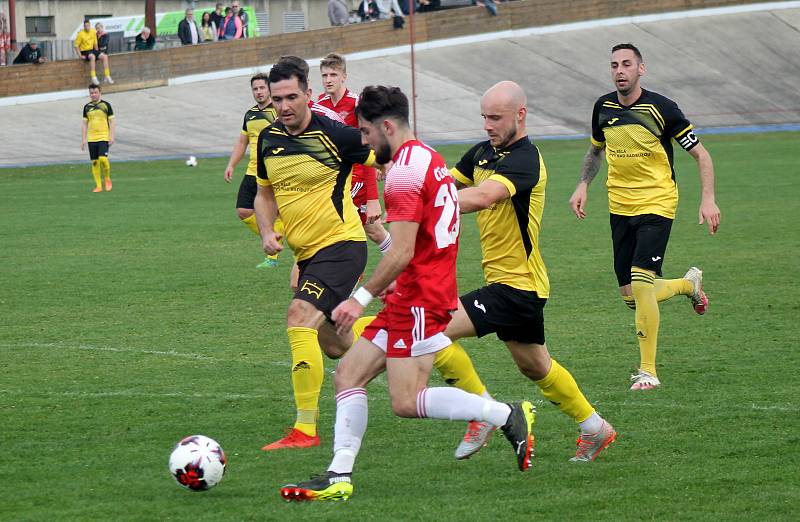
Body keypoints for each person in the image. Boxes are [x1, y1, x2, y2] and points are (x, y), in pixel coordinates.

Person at [280, 85, 534, 502]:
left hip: (421, 298)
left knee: (405, 400)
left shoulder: (401, 173)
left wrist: (358, 299)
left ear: (385, 126)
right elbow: (420, 242)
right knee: (349, 374)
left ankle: (504, 413)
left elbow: (399, 252)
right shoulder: (428, 158)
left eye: (365, 133)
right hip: (419, 291)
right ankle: (338, 475)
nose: (363, 142)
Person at [253, 63, 493, 452]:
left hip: (342, 245)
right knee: (333, 342)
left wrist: (396, 193)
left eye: (291, 97)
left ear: (307, 92)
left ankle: (305, 430)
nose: (283, 106)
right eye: (276, 99)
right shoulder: (268, 139)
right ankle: (422, 342)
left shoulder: (336, 134)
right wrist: (267, 231)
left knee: (299, 317)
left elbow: (387, 158)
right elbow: (263, 195)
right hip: (309, 253)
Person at [444, 80, 616, 462]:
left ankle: (484, 413)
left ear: (520, 115)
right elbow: (442, 183)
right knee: (536, 366)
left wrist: (427, 204)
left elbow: (483, 196)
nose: (487, 125)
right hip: (517, 286)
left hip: (516, 287)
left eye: (496, 117)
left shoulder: (525, 158)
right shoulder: (480, 154)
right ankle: (595, 428)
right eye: (484, 117)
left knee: (431, 330)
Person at [568, 43, 721, 390]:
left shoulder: (662, 108)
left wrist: (708, 199)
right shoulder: (603, 107)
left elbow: (702, 155)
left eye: (626, 64)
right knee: (629, 295)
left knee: (641, 281)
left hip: (657, 201)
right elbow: (595, 151)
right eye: (614, 65)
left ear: (641, 69)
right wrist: (582, 185)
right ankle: (687, 285)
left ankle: (648, 371)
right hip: (619, 206)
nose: (620, 70)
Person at [317, 53, 391, 256]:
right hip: (335, 174)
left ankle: (346, 283)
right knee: (373, 230)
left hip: (357, 173)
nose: (328, 79)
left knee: (341, 228)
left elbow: (368, 145)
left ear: (344, 76)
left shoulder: (356, 104)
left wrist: (373, 197)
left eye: (333, 74)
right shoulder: (320, 103)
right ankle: (403, 263)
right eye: (324, 75)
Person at [223, 73, 284, 269]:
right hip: (252, 171)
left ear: (269, 89)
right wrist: (231, 164)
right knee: (243, 211)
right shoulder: (249, 114)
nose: (258, 92)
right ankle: (276, 233)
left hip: (272, 171)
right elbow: (243, 141)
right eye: (255, 89)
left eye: (262, 88)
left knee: (270, 211)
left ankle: (272, 256)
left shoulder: (278, 111)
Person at [81, 84, 115, 193]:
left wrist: (111, 136)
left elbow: (112, 122)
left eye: (95, 92)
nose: (93, 95)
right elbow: (84, 124)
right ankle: (98, 186)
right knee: (95, 162)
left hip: (103, 136)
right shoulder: (87, 107)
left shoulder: (106, 105)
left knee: (103, 159)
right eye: (91, 93)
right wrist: (83, 139)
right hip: (92, 138)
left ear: (100, 93)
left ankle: (107, 178)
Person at [74, 20, 107, 85]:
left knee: (104, 56)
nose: (87, 27)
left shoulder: (93, 31)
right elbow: (76, 46)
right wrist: (80, 55)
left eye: (88, 25)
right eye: (85, 26)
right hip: (84, 51)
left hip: (92, 50)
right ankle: (93, 76)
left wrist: (98, 52)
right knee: (92, 56)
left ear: (90, 25)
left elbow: (95, 43)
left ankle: (106, 75)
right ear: (84, 26)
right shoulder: (80, 34)